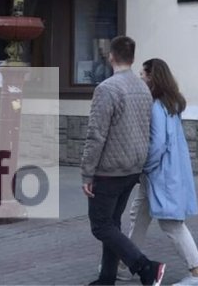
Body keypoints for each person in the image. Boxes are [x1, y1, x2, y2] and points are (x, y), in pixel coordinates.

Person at [115, 59, 198, 286]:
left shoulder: (157, 106)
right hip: (162, 174)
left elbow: (157, 145)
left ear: (152, 78)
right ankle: (126, 266)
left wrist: (143, 167)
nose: (140, 78)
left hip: (160, 175)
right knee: (138, 218)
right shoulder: (171, 104)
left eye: (143, 74)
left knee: (172, 224)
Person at [82, 36, 166, 286]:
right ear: (132, 58)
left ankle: (145, 266)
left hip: (109, 170)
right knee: (113, 223)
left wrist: (87, 173)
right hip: (132, 168)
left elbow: (96, 134)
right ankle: (107, 278)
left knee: (100, 226)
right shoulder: (143, 88)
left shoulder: (106, 89)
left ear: (111, 56)